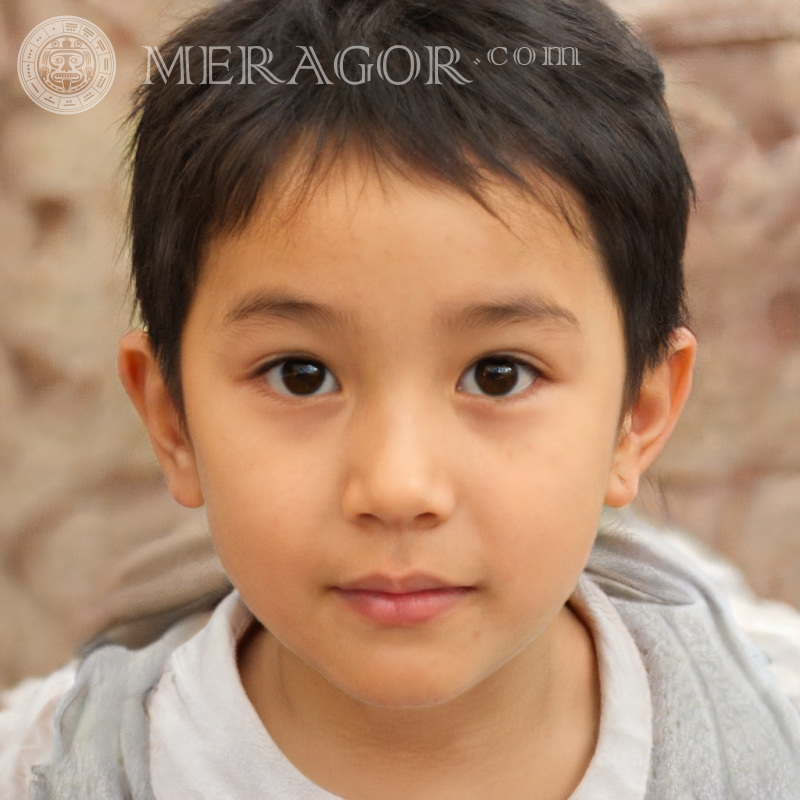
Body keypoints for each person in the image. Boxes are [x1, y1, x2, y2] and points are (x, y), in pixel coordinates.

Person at [2, 0, 799, 797]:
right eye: (300, 374)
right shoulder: (49, 768)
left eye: (499, 374)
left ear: (638, 416)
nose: (397, 488)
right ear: (172, 420)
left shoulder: (774, 731)